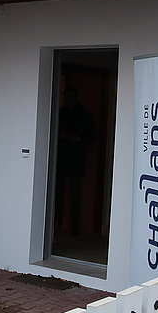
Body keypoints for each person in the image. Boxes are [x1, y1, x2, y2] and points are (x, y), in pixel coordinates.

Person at [55, 86, 95, 236]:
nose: (68, 101)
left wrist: (79, 139)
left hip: (76, 159)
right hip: (60, 159)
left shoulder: (84, 115)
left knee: (75, 194)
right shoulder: (60, 113)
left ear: (76, 98)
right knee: (56, 194)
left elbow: (92, 136)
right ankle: (54, 226)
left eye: (70, 98)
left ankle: (74, 229)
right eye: (66, 98)